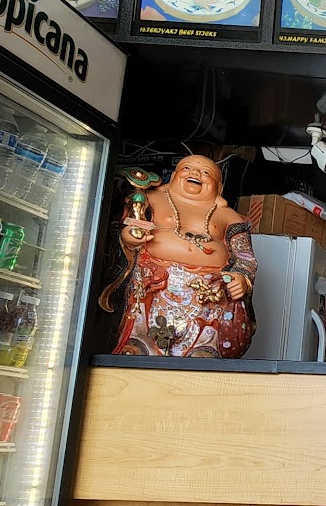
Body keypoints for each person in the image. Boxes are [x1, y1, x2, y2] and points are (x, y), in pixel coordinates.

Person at [108, 153, 256, 357]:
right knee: (141, 338)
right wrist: (129, 237)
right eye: (187, 168)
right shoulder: (150, 199)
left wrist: (242, 278)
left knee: (204, 345)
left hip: (208, 293)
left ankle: (202, 350)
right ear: (173, 176)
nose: (195, 173)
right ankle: (139, 345)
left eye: (206, 173)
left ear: (219, 188)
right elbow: (127, 227)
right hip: (156, 283)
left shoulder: (230, 216)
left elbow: (245, 256)